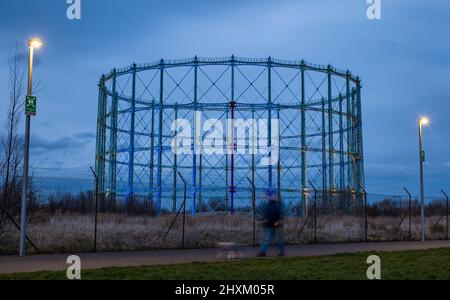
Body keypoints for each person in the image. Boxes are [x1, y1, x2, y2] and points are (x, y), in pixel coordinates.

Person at [258, 189, 285, 257]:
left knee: (274, 240)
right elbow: (266, 214)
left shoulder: (276, 205)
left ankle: (281, 252)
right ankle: (263, 252)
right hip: (269, 224)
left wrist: (279, 221)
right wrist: (262, 220)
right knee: (268, 239)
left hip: (275, 224)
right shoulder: (269, 205)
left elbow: (279, 214)